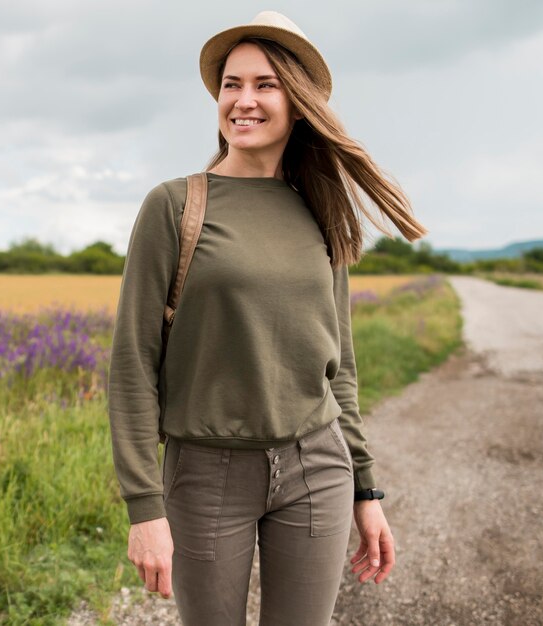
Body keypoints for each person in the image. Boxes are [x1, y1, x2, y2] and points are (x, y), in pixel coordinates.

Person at [108, 10, 427, 626]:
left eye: (265, 84)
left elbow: (340, 369)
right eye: (231, 84)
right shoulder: (174, 206)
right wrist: (145, 507)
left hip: (317, 468)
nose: (243, 100)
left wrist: (366, 489)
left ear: (298, 102)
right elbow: (131, 365)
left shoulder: (320, 208)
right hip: (204, 474)